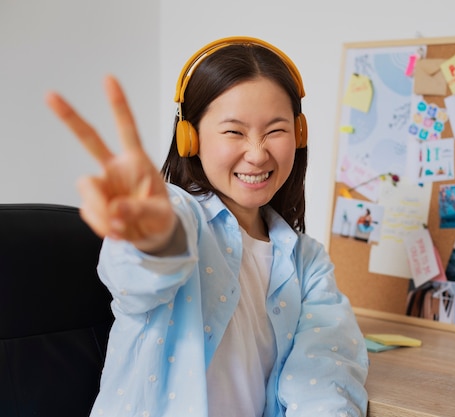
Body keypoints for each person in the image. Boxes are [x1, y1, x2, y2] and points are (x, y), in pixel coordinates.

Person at [46, 37, 369, 417]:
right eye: (234, 131)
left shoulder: (307, 261)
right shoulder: (177, 213)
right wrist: (152, 238)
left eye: (275, 130)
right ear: (190, 138)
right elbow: (142, 273)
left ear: (299, 135)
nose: (257, 152)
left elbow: (325, 372)